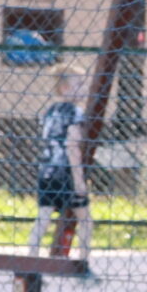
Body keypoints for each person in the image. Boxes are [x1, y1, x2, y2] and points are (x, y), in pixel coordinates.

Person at [27, 67, 92, 266]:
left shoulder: (50, 111)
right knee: (85, 220)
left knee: (43, 218)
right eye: (79, 84)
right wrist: (79, 181)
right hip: (66, 173)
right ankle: (83, 263)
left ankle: (30, 262)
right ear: (64, 88)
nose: (83, 89)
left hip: (47, 171)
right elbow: (72, 147)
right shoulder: (75, 112)